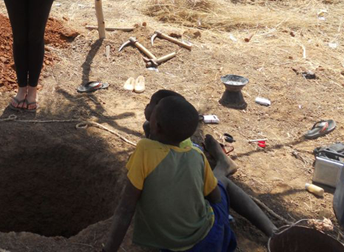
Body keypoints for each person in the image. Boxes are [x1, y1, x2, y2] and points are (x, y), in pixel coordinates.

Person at [102, 96, 277, 252]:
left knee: (221, 180)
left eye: (153, 107)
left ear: (156, 125)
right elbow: (215, 198)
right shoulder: (196, 155)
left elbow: (125, 208)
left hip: (175, 246)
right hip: (212, 240)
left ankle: (224, 165)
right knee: (220, 183)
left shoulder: (144, 151)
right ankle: (273, 232)